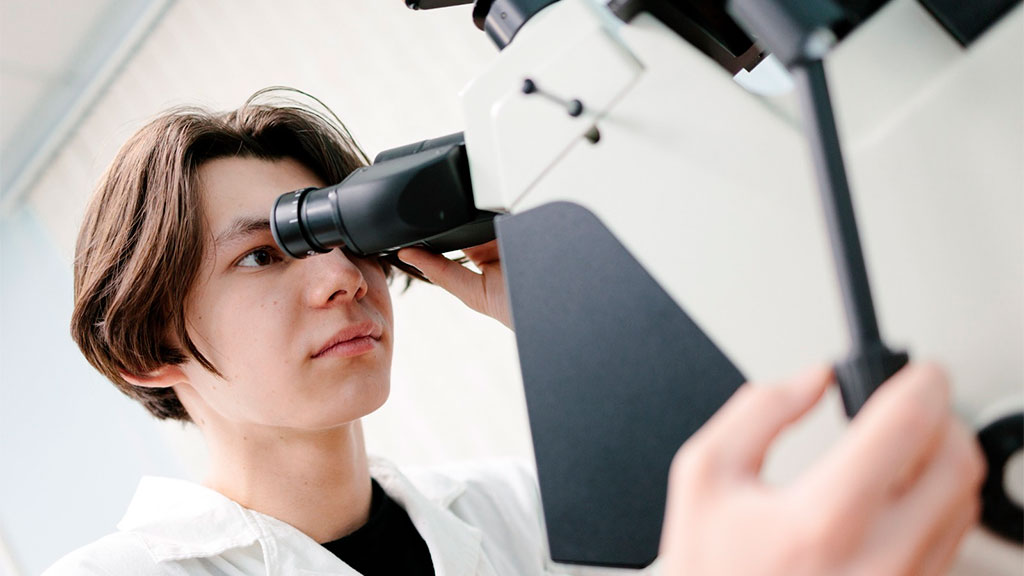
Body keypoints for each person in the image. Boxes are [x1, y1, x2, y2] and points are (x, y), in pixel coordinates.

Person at [45, 89, 984, 576]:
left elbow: (804, 491)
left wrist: (574, 318)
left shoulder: (518, 512)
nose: (339, 277)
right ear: (149, 349)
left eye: (341, 237)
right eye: (262, 256)